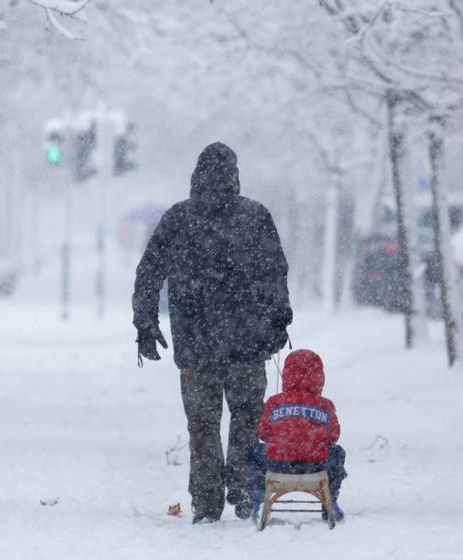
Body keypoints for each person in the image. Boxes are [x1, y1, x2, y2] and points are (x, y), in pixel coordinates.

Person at [132, 142, 292, 524]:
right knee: (247, 418)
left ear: (196, 175)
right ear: (235, 176)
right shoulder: (256, 217)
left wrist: (146, 322)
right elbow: (275, 273)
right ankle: (241, 483)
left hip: (197, 343)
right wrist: (278, 320)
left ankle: (206, 500)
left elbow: (149, 272)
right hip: (247, 342)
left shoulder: (179, 218)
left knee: (202, 425)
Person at [247, 349, 347, 521]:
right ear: (319, 376)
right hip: (316, 465)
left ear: (286, 374)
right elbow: (334, 436)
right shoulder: (325, 405)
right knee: (338, 453)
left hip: (277, 463)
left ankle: (259, 499)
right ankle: (330, 500)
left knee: (252, 452)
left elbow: (262, 432)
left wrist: (284, 438)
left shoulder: (274, 402)